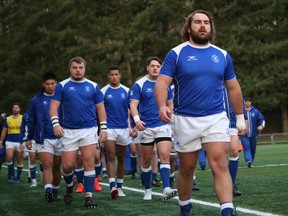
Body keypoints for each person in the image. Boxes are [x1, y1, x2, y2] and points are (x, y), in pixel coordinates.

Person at [154, 10, 246, 216]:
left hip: (215, 117)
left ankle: (227, 212)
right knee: (187, 168)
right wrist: (162, 105)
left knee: (220, 163)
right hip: (185, 119)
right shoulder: (176, 53)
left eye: (206, 22)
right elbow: (162, 83)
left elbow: (233, 88)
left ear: (211, 28)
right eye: (197, 22)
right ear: (189, 27)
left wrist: (240, 117)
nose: (202, 26)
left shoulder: (222, 55)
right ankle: (185, 209)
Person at [50, 56, 107, 208]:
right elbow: (54, 107)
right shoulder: (62, 86)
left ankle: (88, 196)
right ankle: (69, 186)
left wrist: (103, 128)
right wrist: (56, 125)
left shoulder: (93, 86)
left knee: (89, 161)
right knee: (67, 166)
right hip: (68, 131)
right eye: (75, 67)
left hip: (89, 130)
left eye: (80, 67)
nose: (78, 70)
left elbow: (100, 108)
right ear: (70, 69)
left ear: (84, 69)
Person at [130, 56, 177, 201]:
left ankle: (166, 189)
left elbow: (170, 104)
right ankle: (148, 190)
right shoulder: (139, 84)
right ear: (147, 68)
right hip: (146, 128)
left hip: (163, 125)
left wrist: (171, 119)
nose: (155, 68)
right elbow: (133, 105)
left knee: (164, 155)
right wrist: (137, 121)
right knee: (146, 160)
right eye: (153, 66)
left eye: (158, 66)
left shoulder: (165, 85)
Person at [26, 72, 62, 203]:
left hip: (61, 138)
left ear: (56, 84)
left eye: (52, 83)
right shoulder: (35, 101)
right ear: (43, 84)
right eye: (47, 84)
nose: (50, 86)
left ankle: (56, 190)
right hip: (43, 138)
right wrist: (29, 138)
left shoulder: (62, 99)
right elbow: (31, 121)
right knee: (47, 165)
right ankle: (48, 191)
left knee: (57, 167)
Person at [101, 65, 130, 198]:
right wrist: (101, 129)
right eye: (111, 74)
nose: (114, 77)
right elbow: (99, 111)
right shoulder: (103, 92)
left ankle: (120, 186)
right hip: (109, 128)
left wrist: (133, 126)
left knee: (121, 158)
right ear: (108, 76)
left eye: (116, 74)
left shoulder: (127, 91)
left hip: (123, 128)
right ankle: (113, 187)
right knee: (111, 156)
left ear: (120, 75)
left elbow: (133, 109)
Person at [223, 88, 248, 196]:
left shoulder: (231, 85)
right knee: (219, 155)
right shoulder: (212, 83)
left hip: (232, 124)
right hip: (216, 125)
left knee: (234, 151)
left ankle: (232, 184)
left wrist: (244, 120)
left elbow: (239, 101)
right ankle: (220, 185)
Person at [0, 103, 24, 184]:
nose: (15, 109)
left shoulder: (23, 118)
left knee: (20, 159)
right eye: (14, 108)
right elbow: (4, 131)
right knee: (9, 158)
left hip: (20, 141)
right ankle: (10, 176)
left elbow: (27, 129)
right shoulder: (8, 119)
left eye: (16, 108)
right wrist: (0, 141)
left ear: (19, 109)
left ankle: (18, 177)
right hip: (10, 141)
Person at [240, 97, 265, 168]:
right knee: (246, 147)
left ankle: (251, 161)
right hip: (244, 134)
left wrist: (261, 126)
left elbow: (262, 119)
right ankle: (248, 161)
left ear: (251, 102)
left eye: (249, 101)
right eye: (246, 101)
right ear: (244, 102)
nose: (248, 103)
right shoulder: (240, 111)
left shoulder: (256, 111)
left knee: (253, 149)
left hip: (254, 134)